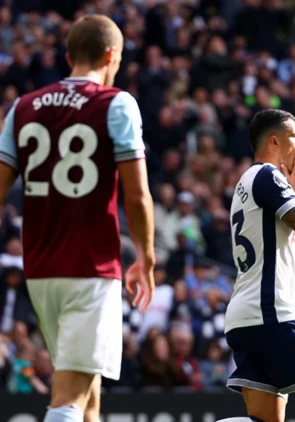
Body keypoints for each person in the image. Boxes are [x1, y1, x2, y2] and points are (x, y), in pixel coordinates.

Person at [0, 15, 155, 422]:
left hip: (40, 270)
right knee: (68, 398)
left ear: (69, 56)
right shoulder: (116, 104)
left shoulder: (23, 107)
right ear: (112, 55)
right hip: (91, 267)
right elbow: (137, 196)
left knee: (88, 393)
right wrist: (146, 258)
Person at [224, 109, 295, 422]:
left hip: (245, 315)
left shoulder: (247, 183)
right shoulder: (267, 175)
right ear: (275, 142)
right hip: (270, 311)